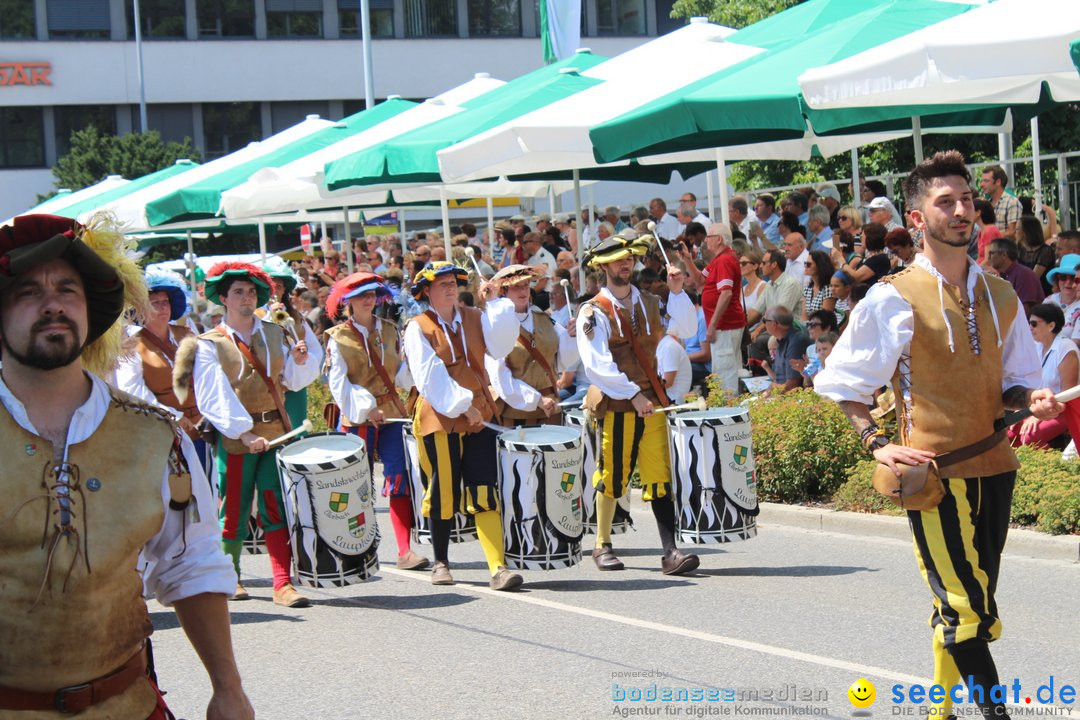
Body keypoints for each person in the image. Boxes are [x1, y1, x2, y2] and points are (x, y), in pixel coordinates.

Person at [816, 150, 1061, 720]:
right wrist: (876, 443)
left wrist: (1033, 398)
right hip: (932, 475)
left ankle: (940, 711)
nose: (959, 211)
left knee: (968, 603)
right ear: (917, 217)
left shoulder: (1001, 294)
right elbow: (843, 384)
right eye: (944, 202)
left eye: (966, 200)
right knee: (965, 604)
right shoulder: (891, 296)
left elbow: (1016, 384)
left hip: (996, 465)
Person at [0, 214, 252, 719]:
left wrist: (228, 688)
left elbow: (190, 563)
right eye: (28, 291)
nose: (52, 303)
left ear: (90, 309)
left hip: (127, 705)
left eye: (67, 289)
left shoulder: (155, 434)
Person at [178, 262, 320, 608]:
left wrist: (300, 362)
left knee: (275, 506)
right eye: (239, 292)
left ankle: (282, 583)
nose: (247, 297)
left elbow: (291, 381)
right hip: (237, 438)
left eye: (252, 291)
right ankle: (232, 576)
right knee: (235, 509)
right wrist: (243, 434)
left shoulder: (275, 332)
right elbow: (213, 394)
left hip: (276, 432)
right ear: (223, 299)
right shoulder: (210, 343)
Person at [576, 232, 700, 575]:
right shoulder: (592, 311)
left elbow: (687, 329)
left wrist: (677, 291)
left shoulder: (650, 301)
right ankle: (602, 545)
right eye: (617, 258)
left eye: (628, 256)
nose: (625, 261)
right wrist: (633, 394)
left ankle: (670, 551)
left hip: (654, 401)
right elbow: (596, 364)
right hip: (619, 404)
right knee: (614, 476)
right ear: (602, 266)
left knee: (659, 477)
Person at [402, 261, 523, 591]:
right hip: (441, 418)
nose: (450, 287)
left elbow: (500, 347)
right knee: (443, 490)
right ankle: (441, 562)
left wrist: (496, 303)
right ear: (427, 291)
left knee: (484, 488)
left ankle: (498, 566)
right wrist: (462, 406)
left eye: (453, 282)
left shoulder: (474, 316)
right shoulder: (418, 327)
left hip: (480, 416)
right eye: (442, 284)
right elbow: (428, 377)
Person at [324, 271, 429, 572]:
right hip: (357, 417)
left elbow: (399, 373)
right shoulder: (338, 337)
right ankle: (355, 549)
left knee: (399, 479)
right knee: (356, 485)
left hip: (392, 413)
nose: (368, 300)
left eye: (371, 294)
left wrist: (415, 371)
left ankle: (405, 550)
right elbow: (338, 384)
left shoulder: (390, 329)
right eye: (360, 295)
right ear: (347, 301)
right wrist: (365, 408)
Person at [115, 269, 209, 470]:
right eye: (155, 302)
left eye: (165, 301)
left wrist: (209, 413)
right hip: (163, 432)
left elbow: (208, 377)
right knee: (176, 495)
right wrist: (174, 416)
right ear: (141, 308)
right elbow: (132, 391)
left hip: (204, 429)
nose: (162, 307)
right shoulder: (131, 343)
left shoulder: (186, 334)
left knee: (206, 491)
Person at [486, 264, 579, 426]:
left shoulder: (543, 317)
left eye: (526, 286)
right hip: (516, 411)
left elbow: (566, 360)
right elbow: (499, 376)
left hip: (550, 407)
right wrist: (535, 400)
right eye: (516, 287)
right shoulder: (495, 325)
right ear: (504, 291)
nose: (523, 291)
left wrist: (573, 336)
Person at [1008, 303, 1078, 448]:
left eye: (1034, 323)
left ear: (1051, 326)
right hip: (1041, 406)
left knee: (1028, 439)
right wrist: (1025, 409)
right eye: (1029, 323)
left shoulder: (1066, 350)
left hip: (1063, 409)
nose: (1030, 327)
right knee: (1010, 435)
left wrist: (1037, 415)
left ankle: (1057, 463)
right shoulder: (1037, 346)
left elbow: (1068, 396)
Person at [695, 223, 744, 394]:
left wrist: (713, 324)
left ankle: (729, 408)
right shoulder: (719, 259)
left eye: (709, 236)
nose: (706, 239)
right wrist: (687, 259)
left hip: (725, 325)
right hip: (723, 325)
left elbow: (726, 293)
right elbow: (699, 281)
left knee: (725, 370)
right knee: (722, 368)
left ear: (719, 239)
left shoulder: (724, 260)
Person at [987, 238, 1045, 314]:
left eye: (991, 253)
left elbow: (1025, 310)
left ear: (1004, 255)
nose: (988, 257)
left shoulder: (1024, 274)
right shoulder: (1002, 275)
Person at [980, 165, 1022, 239]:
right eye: (982, 181)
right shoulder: (987, 204)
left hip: (1006, 249)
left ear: (998, 182)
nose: (981, 185)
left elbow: (1013, 232)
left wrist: (988, 235)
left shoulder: (1012, 202)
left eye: (986, 181)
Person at [801, 250, 836, 321]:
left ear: (819, 266)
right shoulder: (807, 289)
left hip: (822, 329)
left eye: (809, 264)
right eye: (805, 263)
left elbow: (825, 319)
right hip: (809, 328)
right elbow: (804, 316)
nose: (805, 266)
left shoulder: (828, 289)